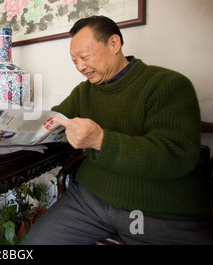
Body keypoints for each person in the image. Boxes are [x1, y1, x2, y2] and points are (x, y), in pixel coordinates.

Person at [27, 15, 212, 245]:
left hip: (156, 209)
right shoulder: (83, 93)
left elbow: (176, 156)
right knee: (39, 241)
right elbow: (54, 120)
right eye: (74, 61)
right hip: (90, 199)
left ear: (114, 44)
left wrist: (101, 141)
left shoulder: (168, 84)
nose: (81, 67)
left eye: (84, 57)